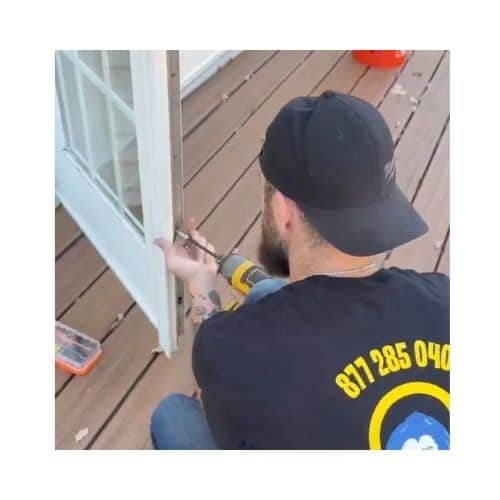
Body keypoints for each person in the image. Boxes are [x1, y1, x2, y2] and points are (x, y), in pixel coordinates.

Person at [152, 91, 450, 450]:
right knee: (266, 293)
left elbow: (215, 384)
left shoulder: (233, 348)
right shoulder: (444, 297)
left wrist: (202, 286)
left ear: (282, 210)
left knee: (174, 416)